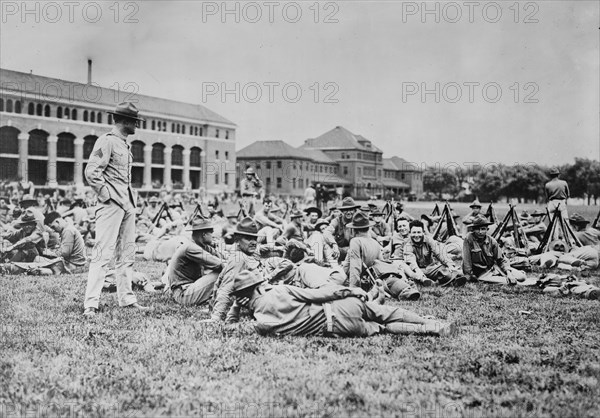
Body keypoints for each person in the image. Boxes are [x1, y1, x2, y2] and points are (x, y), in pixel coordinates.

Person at [230, 270, 456, 337]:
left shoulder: (260, 323)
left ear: (242, 299)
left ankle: (426, 331)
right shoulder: (279, 290)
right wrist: (351, 290)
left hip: (337, 329)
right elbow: (318, 295)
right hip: (339, 307)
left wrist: (238, 307)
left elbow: (230, 326)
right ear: (259, 285)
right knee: (386, 312)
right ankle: (431, 323)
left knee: (384, 329)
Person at [82, 102, 150, 317]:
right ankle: (91, 304)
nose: (136, 127)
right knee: (102, 254)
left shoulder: (124, 145)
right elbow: (92, 171)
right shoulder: (107, 141)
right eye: (135, 123)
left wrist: (127, 202)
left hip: (128, 204)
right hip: (111, 205)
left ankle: (127, 299)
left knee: (126, 253)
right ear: (125, 122)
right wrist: (107, 196)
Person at [210, 217, 266, 322]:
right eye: (248, 238)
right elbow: (226, 287)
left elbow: (219, 282)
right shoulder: (239, 258)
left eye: (255, 239)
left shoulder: (243, 255)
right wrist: (216, 316)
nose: (253, 242)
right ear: (237, 240)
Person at [166, 216, 225, 306]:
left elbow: (223, 258)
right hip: (183, 294)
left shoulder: (203, 246)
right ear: (204, 234)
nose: (213, 235)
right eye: (211, 232)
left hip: (189, 289)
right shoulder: (190, 247)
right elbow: (220, 264)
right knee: (221, 273)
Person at [462, 215, 526, 285]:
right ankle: (503, 279)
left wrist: (508, 273)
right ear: (473, 230)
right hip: (480, 273)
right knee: (506, 282)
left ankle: (503, 276)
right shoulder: (469, 239)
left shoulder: (492, 241)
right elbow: (466, 260)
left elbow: (501, 259)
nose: (480, 232)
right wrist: (469, 275)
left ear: (487, 230)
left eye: (483, 229)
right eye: (477, 229)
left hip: (494, 268)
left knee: (522, 277)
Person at [403, 220, 465, 287]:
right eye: (414, 232)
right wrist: (418, 271)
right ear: (410, 233)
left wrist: (449, 264)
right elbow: (411, 261)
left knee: (443, 268)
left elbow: (439, 253)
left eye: (419, 232)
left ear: (423, 232)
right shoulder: (407, 245)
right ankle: (428, 281)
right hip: (418, 270)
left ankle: (452, 279)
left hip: (431, 268)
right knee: (412, 274)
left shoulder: (429, 240)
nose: (416, 235)